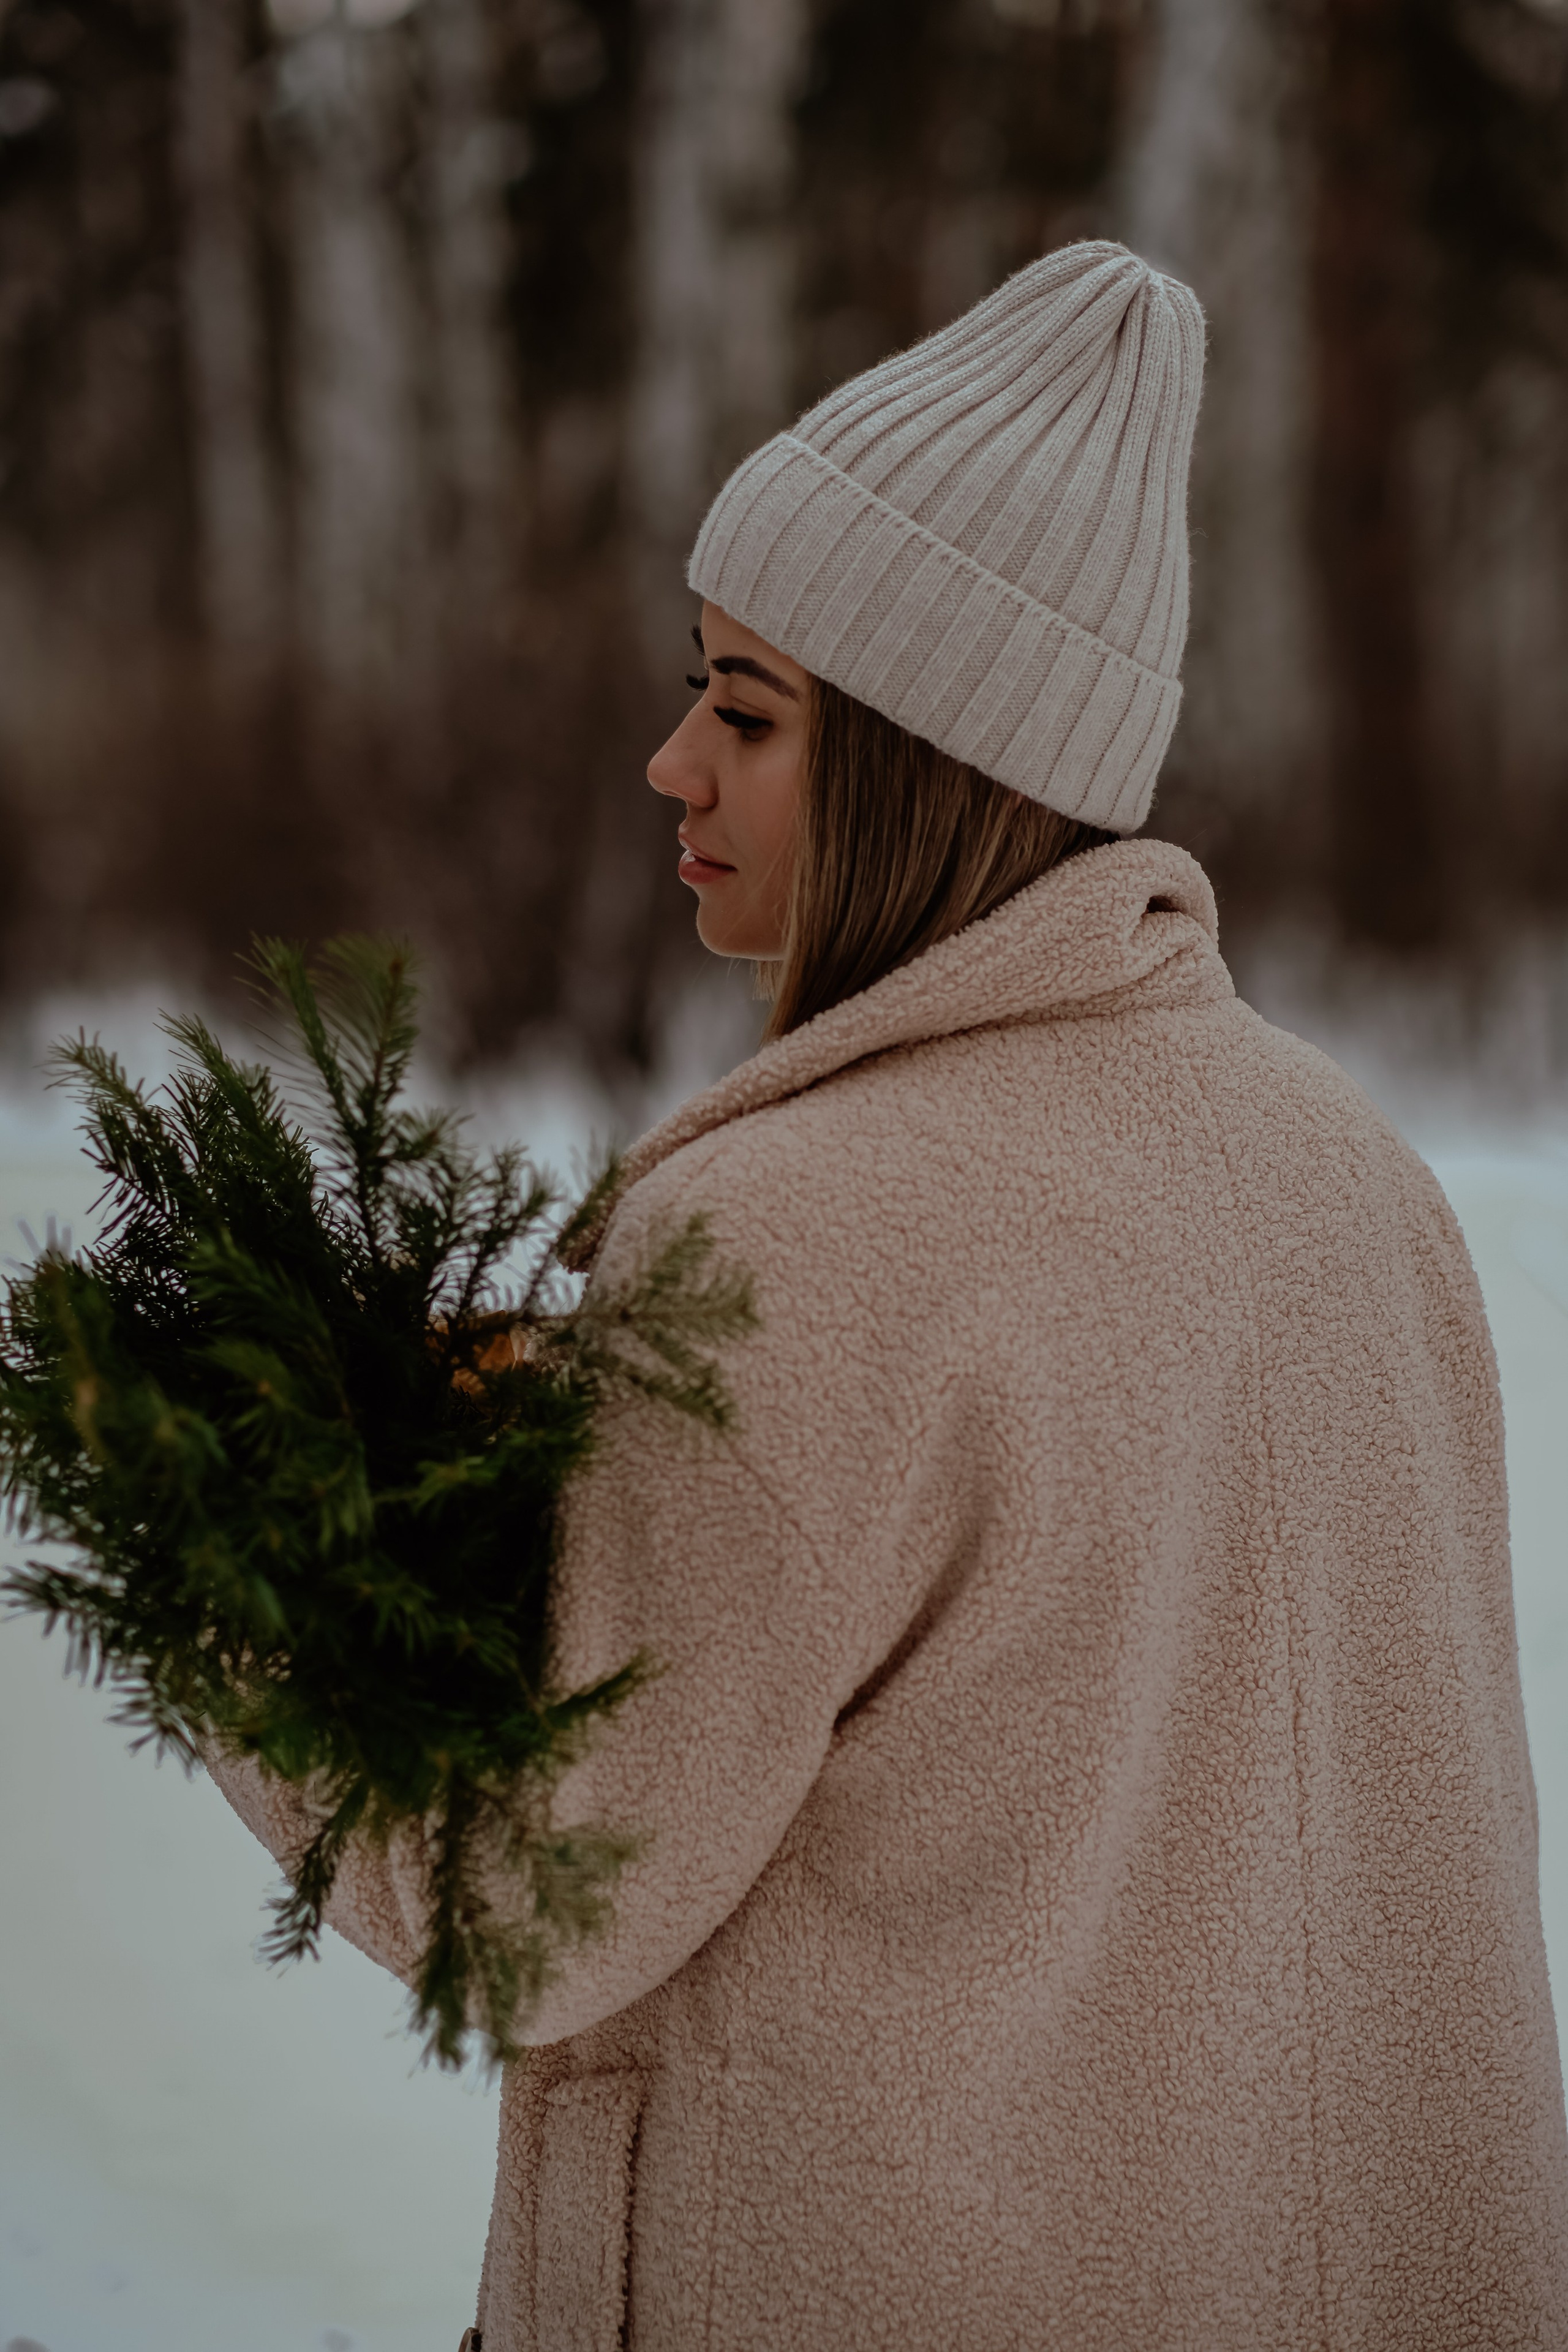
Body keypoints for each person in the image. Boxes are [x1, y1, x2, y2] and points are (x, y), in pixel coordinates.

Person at [207, 241, 1568, 2350]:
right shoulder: (1358, 1180)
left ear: (938, 767)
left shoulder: (786, 1239)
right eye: (697, 687)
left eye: (748, 713)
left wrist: (244, 1574)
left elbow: (531, 1905)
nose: (674, 765)